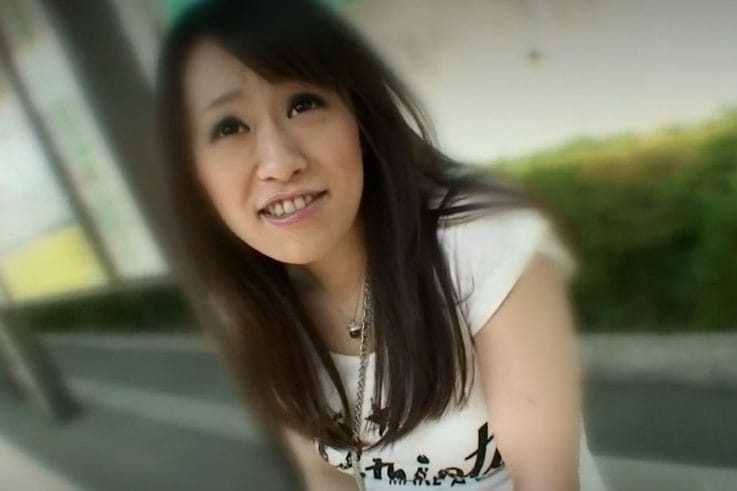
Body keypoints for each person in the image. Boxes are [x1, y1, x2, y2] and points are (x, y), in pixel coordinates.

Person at [154, 1, 606, 490]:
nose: (280, 163)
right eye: (229, 127)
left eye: (303, 104)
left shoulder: (483, 242)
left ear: (359, 118)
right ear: (193, 172)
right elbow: (324, 477)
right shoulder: (250, 304)